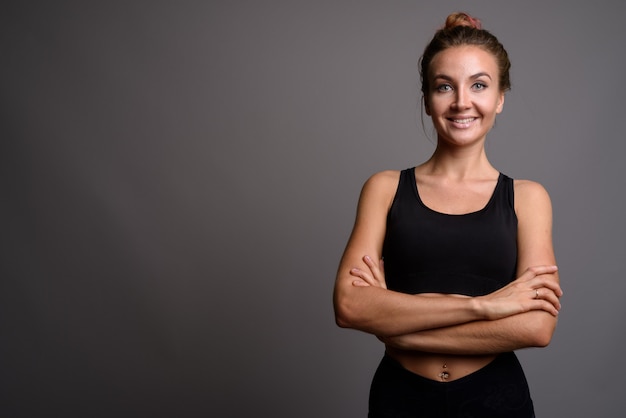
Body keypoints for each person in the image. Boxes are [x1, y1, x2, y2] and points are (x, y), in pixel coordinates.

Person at [333, 12, 562, 417]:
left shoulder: (528, 198)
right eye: (444, 86)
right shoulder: (384, 189)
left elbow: (536, 327)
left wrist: (397, 328)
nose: (461, 101)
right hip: (400, 399)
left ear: (501, 97)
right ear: (426, 99)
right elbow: (350, 307)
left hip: (496, 399)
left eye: (479, 85)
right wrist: (485, 307)